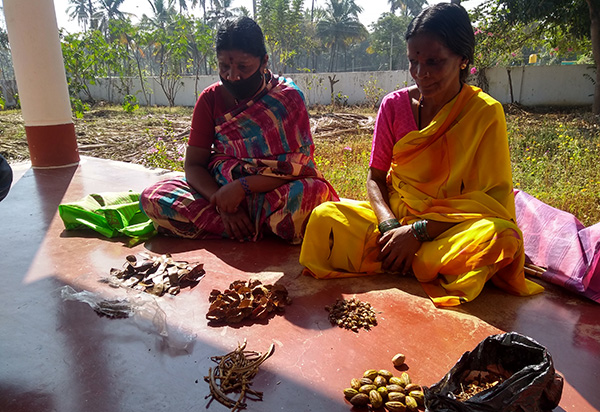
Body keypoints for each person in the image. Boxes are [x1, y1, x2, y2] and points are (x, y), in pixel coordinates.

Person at [299, 3, 543, 307]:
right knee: (324, 218)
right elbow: (375, 177)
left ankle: (401, 259)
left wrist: (418, 231)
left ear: (463, 59)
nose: (420, 73)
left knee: (500, 236)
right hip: (396, 220)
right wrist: (390, 225)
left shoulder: (485, 113)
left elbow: (492, 200)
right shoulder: (393, 105)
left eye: (434, 62)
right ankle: (426, 264)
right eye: (413, 61)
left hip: (450, 226)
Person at [140, 17, 338, 243]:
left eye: (243, 67)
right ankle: (254, 229)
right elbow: (194, 165)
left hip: (274, 192)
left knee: (311, 195)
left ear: (264, 61)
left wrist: (243, 186)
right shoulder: (210, 99)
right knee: (154, 197)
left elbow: (298, 167)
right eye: (224, 66)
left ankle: (231, 229)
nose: (232, 76)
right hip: (220, 194)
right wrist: (222, 202)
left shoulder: (288, 98)